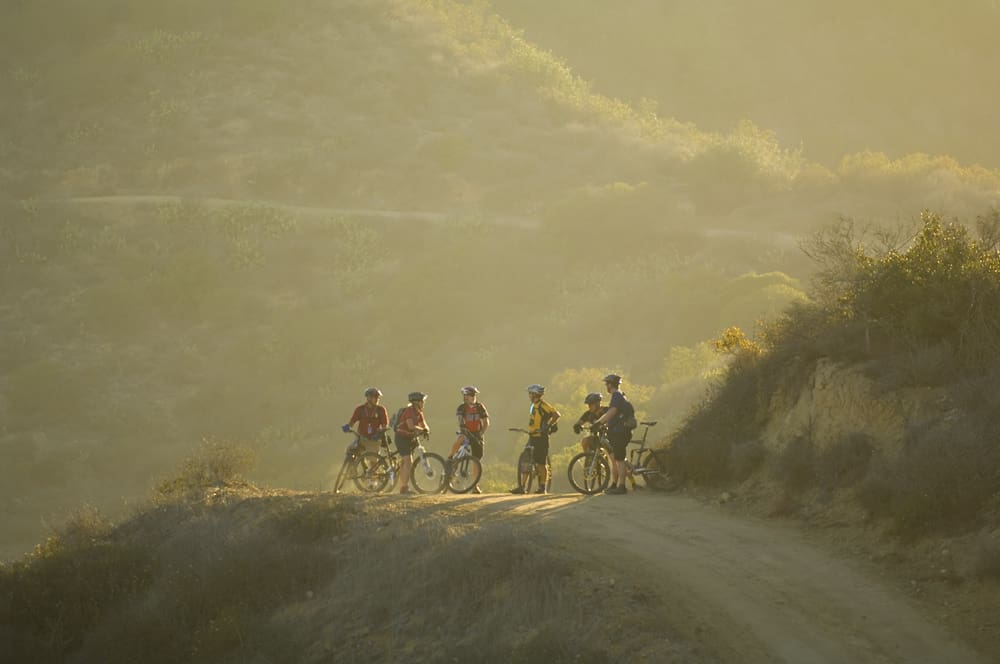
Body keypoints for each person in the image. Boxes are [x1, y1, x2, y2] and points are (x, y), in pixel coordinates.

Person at [511, 384, 560, 495]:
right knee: (526, 460)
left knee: (541, 463)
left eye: (530, 393)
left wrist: (547, 426)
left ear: (535, 394)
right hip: (532, 436)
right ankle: (522, 486)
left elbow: (557, 415)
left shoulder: (543, 405)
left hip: (541, 438)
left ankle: (542, 487)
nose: (529, 396)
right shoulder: (533, 405)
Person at [591, 374, 632, 494]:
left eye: (607, 384)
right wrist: (603, 423)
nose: (606, 386)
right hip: (617, 431)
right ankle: (615, 485)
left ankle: (622, 486)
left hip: (620, 432)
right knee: (618, 459)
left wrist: (599, 423)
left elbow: (612, 412)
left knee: (619, 460)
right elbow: (612, 413)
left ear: (610, 384)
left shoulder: (616, 395)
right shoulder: (618, 396)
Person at [449, 385, 489, 494]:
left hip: (477, 434)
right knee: (460, 439)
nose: (473, 397)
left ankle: (475, 486)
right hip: (466, 432)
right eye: (471, 395)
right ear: (465, 397)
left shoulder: (480, 407)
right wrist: (463, 429)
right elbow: (460, 420)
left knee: (477, 460)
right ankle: (450, 458)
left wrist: (481, 433)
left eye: (474, 395)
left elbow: (486, 422)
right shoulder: (461, 407)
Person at [394, 391, 430, 494]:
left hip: (410, 438)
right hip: (401, 437)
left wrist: (426, 429)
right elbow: (410, 426)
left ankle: (402, 484)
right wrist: (422, 430)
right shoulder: (409, 411)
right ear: (416, 402)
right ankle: (404, 488)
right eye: (422, 401)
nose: (423, 403)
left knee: (405, 462)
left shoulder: (419, 413)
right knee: (408, 461)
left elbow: (424, 424)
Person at [345, 387, 389, 455]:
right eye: (376, 397)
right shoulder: (360, 409)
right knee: (349, 450)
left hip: (374, 439)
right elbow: (352, 421)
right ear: (369, 398)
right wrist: (347, 426)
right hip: (361, 438)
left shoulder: (381, 410)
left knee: (373, 460)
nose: (378, 399)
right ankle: (349, 465)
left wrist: (379, 434)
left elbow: (385, 425)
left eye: (378, 397)